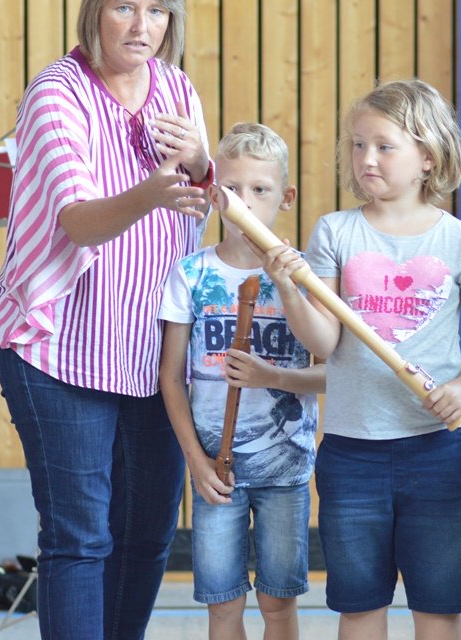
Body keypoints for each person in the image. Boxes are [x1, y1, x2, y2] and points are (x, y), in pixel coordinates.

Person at [0, 0, 214, 639]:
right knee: (79, 539)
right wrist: (152, 191)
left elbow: (211, 202)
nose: (141, 26)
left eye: (156, 11)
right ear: (97, 9)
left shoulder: (178, 90)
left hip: (155, 357)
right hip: (58, 349)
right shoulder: (56, 92)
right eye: (125, 7)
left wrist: (204, 163)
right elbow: (80, 224)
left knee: (147, 537)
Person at [259, 80, 461, 640]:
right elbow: (324, 343)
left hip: (438, 448)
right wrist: (290, 290)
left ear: (428, 156)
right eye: (357, 145)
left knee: (438, 607)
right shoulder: (335, 232)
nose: (365, 158)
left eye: (383, 146)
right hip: (353, 452)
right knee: (360, 605)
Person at [158, 123, 324, 640]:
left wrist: (270, 374)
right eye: (232, 190)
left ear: (286, 197)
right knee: (222, 605)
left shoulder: (307, 275)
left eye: (261, 190)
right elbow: (170, 376)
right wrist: (195, 460)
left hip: (287, 469)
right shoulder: (190, 273)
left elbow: (329, 372)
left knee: (278, 604)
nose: (245, 203)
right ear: (213, 193)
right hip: (216, 473)